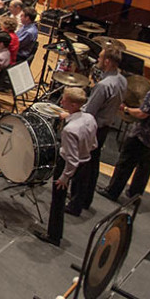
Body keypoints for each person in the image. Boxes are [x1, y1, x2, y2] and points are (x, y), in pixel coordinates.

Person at [100, 61, 150, 201]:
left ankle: (112, 192)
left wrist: (125, 109)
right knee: (144, 167)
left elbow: (142, 113)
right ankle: (134, 195)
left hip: (142, 136)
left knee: (125, 164)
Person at [35, 88, 97, 246]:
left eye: (64, 100)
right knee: (77, 190)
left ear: (74, 105)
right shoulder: (89, 118)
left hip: (67, 165)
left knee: (58, 200)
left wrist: (64, 177)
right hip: (86, 161)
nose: (61, 102)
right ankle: (75, 209)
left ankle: (53, 235)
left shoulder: (69, 130)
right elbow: (94, 144)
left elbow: (72, 160)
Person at [78, 46, 126, 209]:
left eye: (100, 57)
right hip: (105, 127)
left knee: (84, 166)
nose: (97, 60)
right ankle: (86, 199)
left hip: (94, 128)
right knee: (93, 165)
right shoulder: (122, 80)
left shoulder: (104, 85)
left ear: (107, 61)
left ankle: (77, 202)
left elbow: (89, 112)